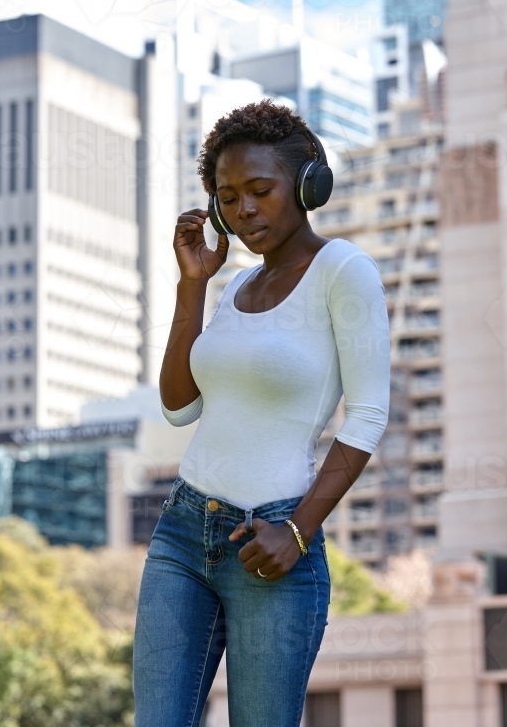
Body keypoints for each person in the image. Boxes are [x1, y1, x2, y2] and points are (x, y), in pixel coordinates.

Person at [133, 101, 390, 727]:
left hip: (273, 538)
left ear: (307, 187)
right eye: (227, 196)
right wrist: (192, 284)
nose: (242, 209)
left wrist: (299, 530)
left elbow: (367, 416)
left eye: (259, 190)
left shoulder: (343, 271)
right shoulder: (237, 287)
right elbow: (178, 406)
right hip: (183, 531)